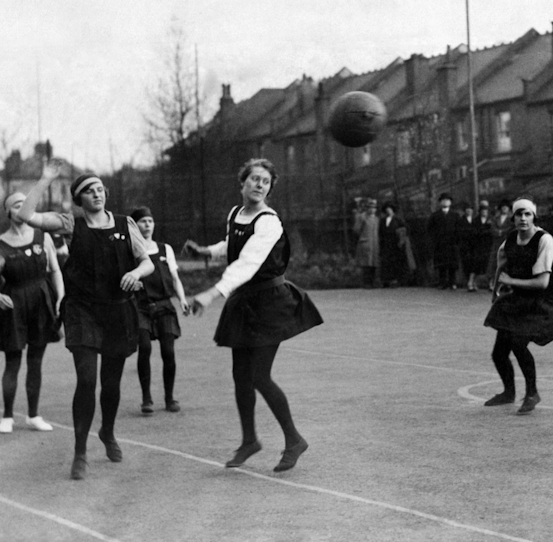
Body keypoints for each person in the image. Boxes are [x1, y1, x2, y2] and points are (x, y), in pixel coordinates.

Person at [183, 158, 324, 472]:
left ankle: (294, 440)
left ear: (269, 188)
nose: (260, 185)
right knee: (240, 377)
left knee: (259, 375)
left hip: (270, 303)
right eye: (255, 179)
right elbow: (232, 242)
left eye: (266, 181)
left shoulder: (269, 221)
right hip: (245, 303)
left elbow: (247, 262)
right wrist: (208, 251)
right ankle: (249, 440)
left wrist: (210, 293)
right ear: (242, 183)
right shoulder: (236, 213)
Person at [18, 164, 154, 480]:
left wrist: (135, 273)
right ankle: (80, 451)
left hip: (118, 311)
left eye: (100, 188)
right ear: (79, 198)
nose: (98, 193)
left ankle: (107, 431)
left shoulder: (125, 224)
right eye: (90, 190)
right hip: (83, 311)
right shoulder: (70, 223)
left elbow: (146, 261)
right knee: (87, 380)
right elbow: (27, 216)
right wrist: (45, 180)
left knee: (111, 383)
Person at [0, 192, 64, 433]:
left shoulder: (42, 236)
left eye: (26, 203)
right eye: (17, 205)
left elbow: (55, 270)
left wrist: (61, 296)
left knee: (35, 362)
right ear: (8, 212)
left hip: (40, 302)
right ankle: (7, 417)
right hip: (14, 305)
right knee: (13, 362)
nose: (24, 207)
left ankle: (34, 415)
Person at [483, 198, 553, 415]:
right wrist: (496, 292)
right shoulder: (511, 239)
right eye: (519, 214)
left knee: (518, 343)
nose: (523, 218)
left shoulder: (545, 240)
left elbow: (542, 282)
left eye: (527, 214)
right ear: (513, 218)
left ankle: (532, 393)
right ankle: (508, 392)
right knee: (498, 352)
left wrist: (510, 282)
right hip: (521, 298)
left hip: (546, 301)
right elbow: (500, 266)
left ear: (534, 217)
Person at [130, 207, 189, 414]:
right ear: (135, 226)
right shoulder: (132, 251)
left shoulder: (165, 249)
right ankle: (146, 399)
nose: (147, 225)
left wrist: (182, 300)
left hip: (164, 306)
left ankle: (169, 398)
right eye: (143, 221)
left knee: (168, 352)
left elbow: (175, 278)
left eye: (150, 221)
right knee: (144, 348)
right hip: (141, 307)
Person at [427, 193, 459, 289]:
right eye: (443, 200)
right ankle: (442, 282)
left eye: (447, 200)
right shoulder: (435, 215)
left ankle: (452, 282)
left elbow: (459, 229)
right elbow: (430, 229)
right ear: (440, 203)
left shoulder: (455, 215)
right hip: (440, 243)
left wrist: (456, 240)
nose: (445, 202)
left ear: (450, 203)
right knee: (441, 264)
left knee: (452, 264)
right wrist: (434, 240)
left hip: (452, 243)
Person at [378, 203, 410, 287]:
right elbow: (380, 232)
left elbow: (405, 229)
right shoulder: (382, 220)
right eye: (387, 209)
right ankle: (386, 280)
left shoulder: (398, 220)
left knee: (394, 262)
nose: (388, 211)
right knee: (385, 262)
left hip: (395, 244)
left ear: (393, 210)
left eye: (390, 209)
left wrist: (400, 239)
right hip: (385, 243)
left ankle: (395, 280)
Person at [353, 197, 380, 288]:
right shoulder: (362, 217)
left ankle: (373, 282)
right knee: (366, 264)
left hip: (375, 243)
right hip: (366, 242)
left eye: (374, 208)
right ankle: (366, 283)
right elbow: (356, 229)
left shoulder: (377, 219)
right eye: (370, 208)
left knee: (374, 263)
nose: (372, 210)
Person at [467, 204, 494, 291]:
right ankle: (471, 282)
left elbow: (492, 232)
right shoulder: (475, 221)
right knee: (475, 264)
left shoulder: (491, 220)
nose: (484, 213)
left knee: (488, 265)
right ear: (480, 212)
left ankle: (491, 284)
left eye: (486, 211)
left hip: (487, 246)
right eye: (483, 211)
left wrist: (484, 232)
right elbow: (474, 232)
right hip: (477, 246)